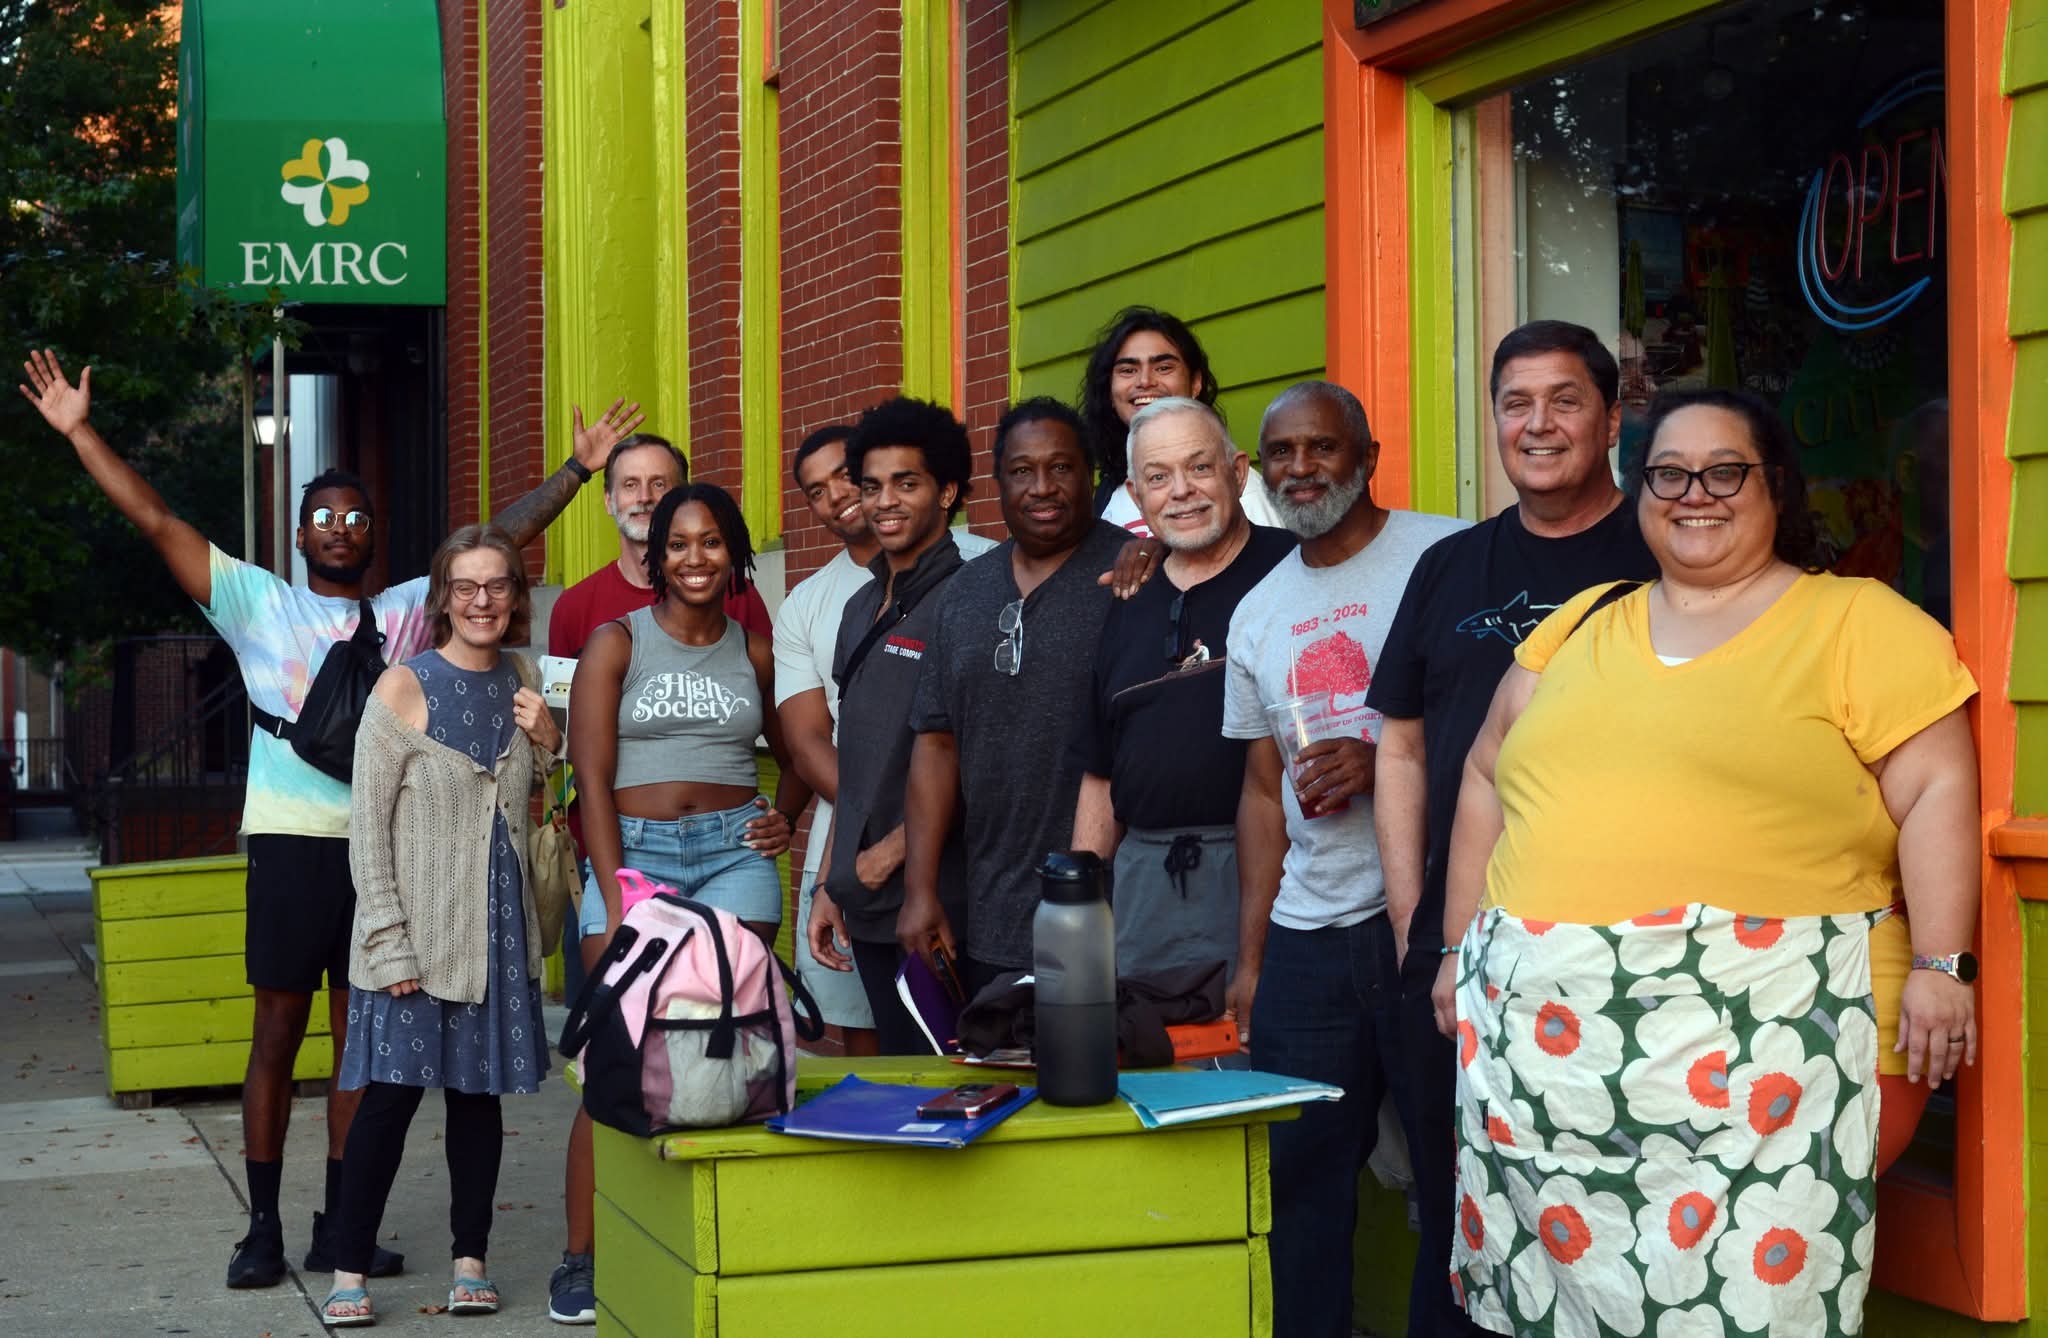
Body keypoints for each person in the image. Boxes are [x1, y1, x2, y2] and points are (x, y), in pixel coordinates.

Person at [17, 349, 635, 1290]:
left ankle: (339, 1223)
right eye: (323, 517)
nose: (340, 527)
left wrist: (578, 470)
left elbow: (497, 544)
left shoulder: (408, 614)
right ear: (300, 534)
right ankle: (261, 1224)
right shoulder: (258, 602)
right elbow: (156, 518)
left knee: (366, 1043)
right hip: (291, 844)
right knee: (276, 1031)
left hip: (388, 857)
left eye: (356, 517)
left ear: (377, 538)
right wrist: (79, 431)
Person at [1435, 388, 1979, 1337]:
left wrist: (1940, 965)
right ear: (1640, 490)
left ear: (1777, 488)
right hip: (1550, 1058)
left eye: (1725, 471)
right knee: (1573, 1308)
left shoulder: (1856, 620)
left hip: (1773, 1034)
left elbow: (1935, 792)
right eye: (1669, 474)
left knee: (1753, 1297)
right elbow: (1484, 774)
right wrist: (1455, 948)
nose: (1696, 494)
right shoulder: (1576, 626)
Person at [1366, 320, 1657, 1336]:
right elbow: (1398, 745)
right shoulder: (1449, 566)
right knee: (1455, 1214)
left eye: (1563, 400)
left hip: (1613, 951)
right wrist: (1417, 919)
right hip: (1453, 956)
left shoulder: (1664, 555)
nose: (1536, 425)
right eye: (1514, 403)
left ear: (1611, 419)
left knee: (1601, 1224)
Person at [1219, 379, 1465, 1338]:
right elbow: (1257, 792)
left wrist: (1388, 761)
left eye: (1321, 449)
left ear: (1368, 456)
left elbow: (1510, 734)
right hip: (1311, 933)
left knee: (1452, 1171)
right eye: (1281, 454)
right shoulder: (1259, 610)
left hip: (1431, 918)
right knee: (1300, 1173)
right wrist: (1251, 960)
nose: (1300, 469)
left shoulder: (1446, 557)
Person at [556, 482, 805, 1322]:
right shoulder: (616, 643)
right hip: (637, 856)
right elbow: (590, 777)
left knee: (727, 1046)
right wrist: (620, 885)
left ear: (732, 553)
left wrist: (787, 817)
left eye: (710, 544)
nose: (694, 559)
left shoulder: (755, 650)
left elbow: (800, 746)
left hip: (733, 854)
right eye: (677, 544)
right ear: (656, 558)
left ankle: (728, 1237)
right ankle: (584, 1258)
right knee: (620, 1055)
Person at [318, 525, 562, 1326]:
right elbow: (368, 828)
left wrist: (550, 742)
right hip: (416, 937)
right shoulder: (402, 687)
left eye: (497, 586)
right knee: (386, 1104)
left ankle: (471, 1261)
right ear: (443, 598)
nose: (483, 600)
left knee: (477, 1103)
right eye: (467, 587)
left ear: (515, 597)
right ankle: (349, 1269)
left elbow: (539, 800)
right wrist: (386, 939)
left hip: (495, 933)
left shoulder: (526, 680)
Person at [779, 423, 997, 1056]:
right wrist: (830, 880)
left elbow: (980, 756)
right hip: (868, 898)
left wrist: (889, 857)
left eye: (907, 484)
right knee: (899, 1085)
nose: (884, 501)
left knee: (961, 1085)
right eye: (871, 486)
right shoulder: (860, 606)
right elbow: (859, 766)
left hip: (944, 894)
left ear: (948, 491)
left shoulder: (974, 592)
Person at [898, 398, 1126, 992]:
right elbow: (936, 744)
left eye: (1062, 468)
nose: (1042, 487)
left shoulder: (1132, 577)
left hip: (1114, 911)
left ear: (1091, 476)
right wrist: (920, 891)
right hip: (991, 915)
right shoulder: (963, 593)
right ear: (997, 482)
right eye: (1023, 471)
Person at [1067, 396, 1293, 981]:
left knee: (1256, 1062)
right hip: (1146, 884)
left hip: (1275, 872)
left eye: (1199, 467)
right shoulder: (1125, 600)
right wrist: (1081, 909)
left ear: (1238, 474)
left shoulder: (1295, 572)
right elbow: (1101, 772)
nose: (1182, 491)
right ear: (1137, 498)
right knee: (1147, 1065)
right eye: (1158, 477)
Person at [1076, 305, 1279, 536]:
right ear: (1110, 392)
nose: (1144, 381)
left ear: (1195, 384)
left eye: (1163, 368)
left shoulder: (1235, 488)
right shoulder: (1112, 486)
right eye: (1128, 370)